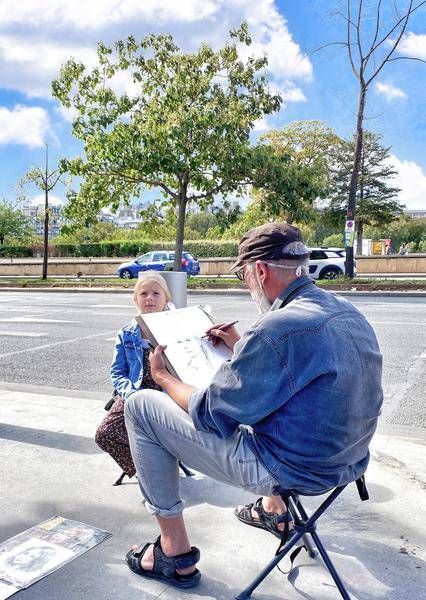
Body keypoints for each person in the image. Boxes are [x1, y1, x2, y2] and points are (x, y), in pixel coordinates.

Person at [123, 223, 383, 589]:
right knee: (260, 410)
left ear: (259, 271)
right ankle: (273, 509)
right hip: (348, 461)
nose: (247, 285)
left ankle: (174, 552)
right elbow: (302, 375)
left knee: (140, 406)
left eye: (245, 275)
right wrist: (239, 344)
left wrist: (164, 378)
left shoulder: (276, 327)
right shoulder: (347, 312)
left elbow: (209, 413)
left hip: (292, 469)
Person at [95, 272, 173, 483]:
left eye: (156, 293)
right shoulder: (127, 333)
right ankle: (146, 470)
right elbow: (118, 372)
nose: (150, 298)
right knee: (105, 433)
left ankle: (161, 464)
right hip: (135, 392)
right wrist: (131, 395)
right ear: (135, 299)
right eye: (144, 293)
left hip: (168, 393)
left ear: (166, 298)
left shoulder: (176, 328)